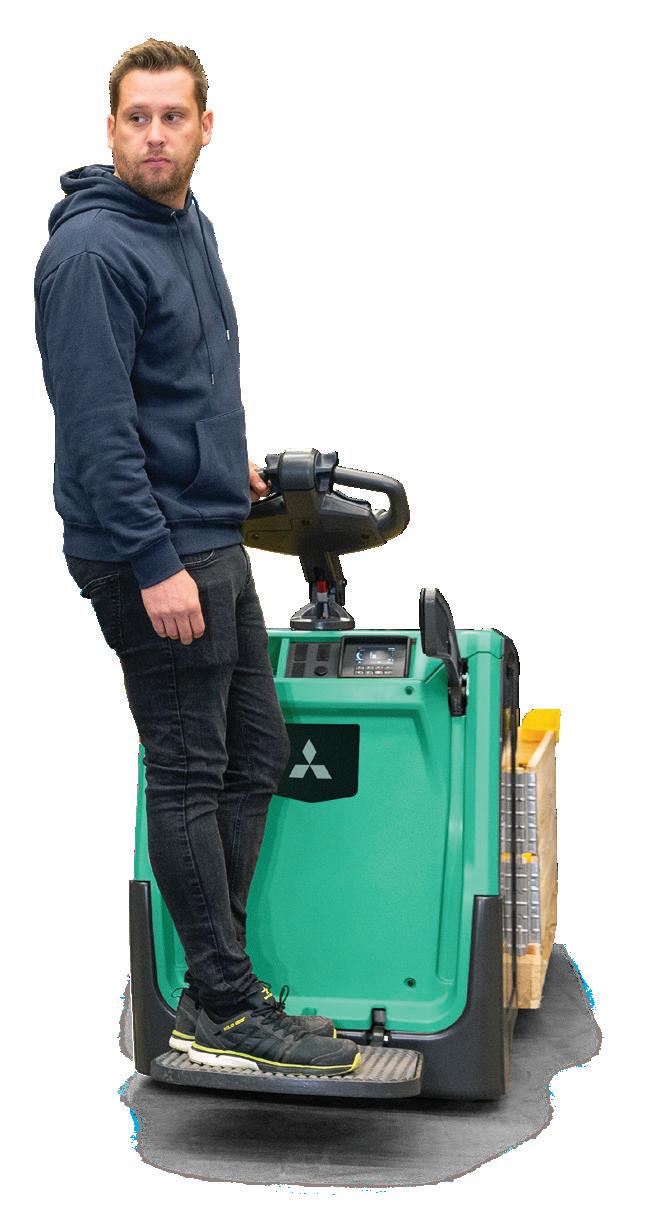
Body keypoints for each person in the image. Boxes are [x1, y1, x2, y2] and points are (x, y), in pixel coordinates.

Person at [34, 38, 360, 1078]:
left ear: (205, 127)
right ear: (110, 128)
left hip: (209, 533)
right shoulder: (93, 255)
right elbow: (97, 431)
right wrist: (151, 562)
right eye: (137, 118)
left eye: (173, 117)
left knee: (254, 754)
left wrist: (228, 467)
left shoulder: (185, 223)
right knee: (187, 771)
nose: (155, 136)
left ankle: (216, 983)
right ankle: (221, 1002)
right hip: (156, 554)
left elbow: (182, 380)